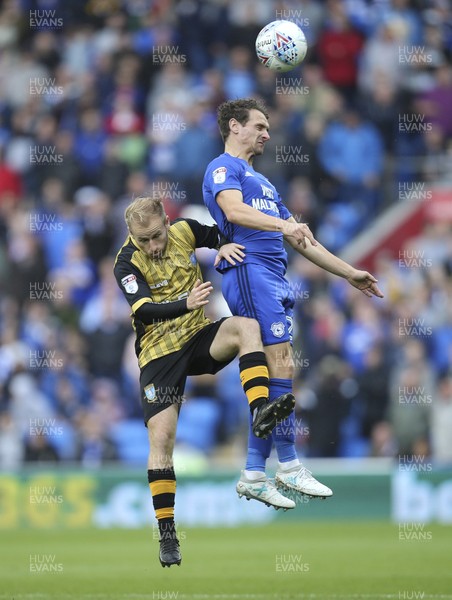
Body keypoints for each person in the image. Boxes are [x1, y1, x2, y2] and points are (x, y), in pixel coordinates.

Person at [203, 98, 384, 508]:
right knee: (278, 361)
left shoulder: (264, 183)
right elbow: (232, 210)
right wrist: (284, 223)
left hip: (276, 278)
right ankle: (286, 464)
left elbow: (304, 239)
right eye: (260, 126)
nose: (267, 133)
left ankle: (254, 471)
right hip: (250, 272)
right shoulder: (223, 168)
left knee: (278, 369)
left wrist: (349, 272)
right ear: (235, 126)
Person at [113, 197, 295, 568]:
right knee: (162, 440)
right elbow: (143, 310)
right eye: (143, 240)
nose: (152, 246)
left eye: (155, 236)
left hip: (198, 339)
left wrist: (222, 245)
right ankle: (167, 534)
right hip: (159, 354)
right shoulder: (126, 263)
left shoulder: (184, 231)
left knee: (247, 327)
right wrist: (186, 303)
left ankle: (260, 409)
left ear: (167, 220)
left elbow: (216, 234)